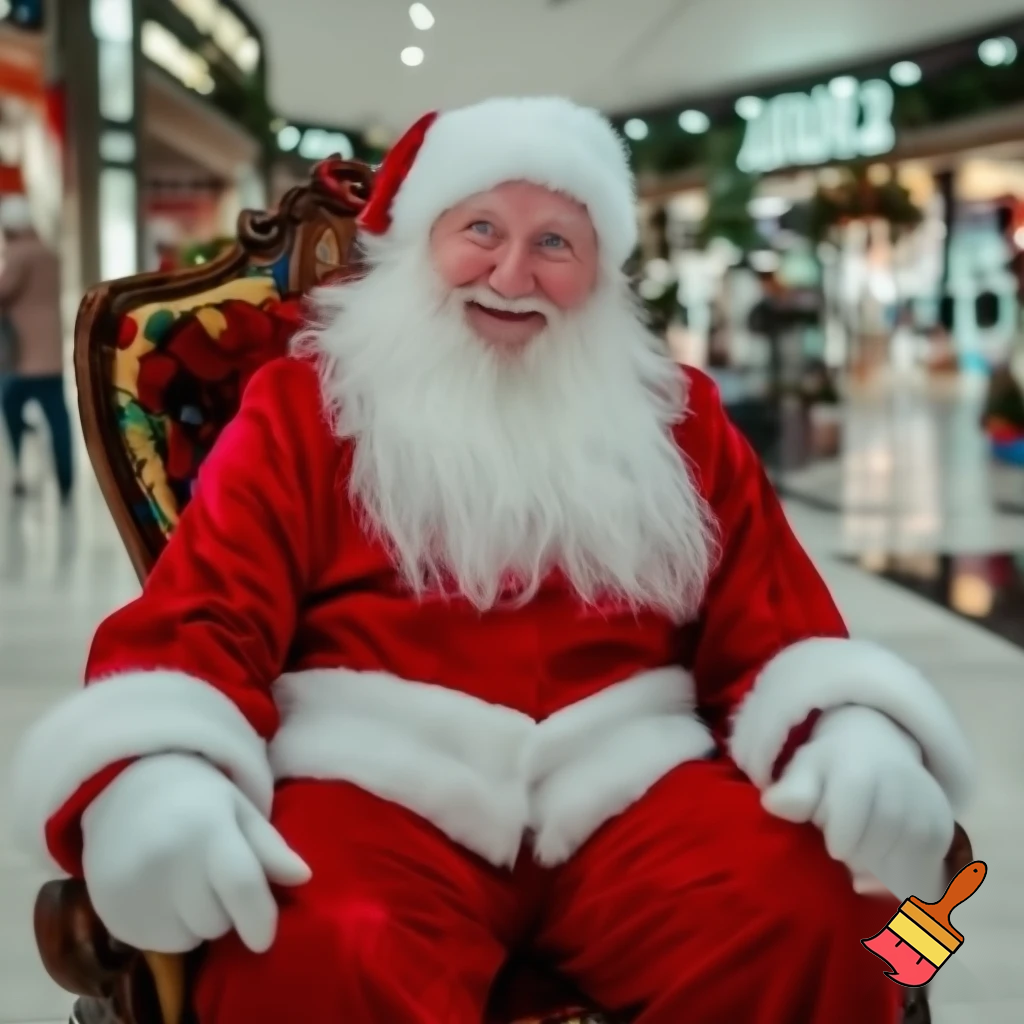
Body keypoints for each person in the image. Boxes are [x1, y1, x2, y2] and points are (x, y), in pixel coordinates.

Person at [10, 97, 973, 1024]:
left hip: (635, 783)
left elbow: (777, 628)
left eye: (555, 241)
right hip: (373, 786)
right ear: (419, 243)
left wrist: (847, 737)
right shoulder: (303, 406)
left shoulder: (679, 418)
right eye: (480, 229)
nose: (511, 274)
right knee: (310, 941)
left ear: (599, 272)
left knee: (824, 919)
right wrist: (165, 774)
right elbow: (203, 618)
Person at [0, 194, 72, 500]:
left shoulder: (18, 254)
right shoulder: (48, 252)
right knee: (59, 418)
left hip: (22, 355)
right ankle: (66, 479)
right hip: (50, 354)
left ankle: (18, 469)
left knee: (10, 408)